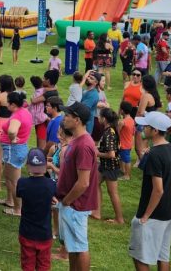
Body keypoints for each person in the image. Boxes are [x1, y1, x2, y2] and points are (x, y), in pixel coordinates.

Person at [129, 111, 171, 271]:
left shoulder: (156, 154)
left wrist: (145, 216)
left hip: (153, 215)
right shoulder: (170, 148)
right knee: (163, 256)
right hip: (169, 212)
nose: (143, 128)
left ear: (155, 130)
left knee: (140, 257)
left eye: (146, 126)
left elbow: (158, 190)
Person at [55, 102, 99, 271]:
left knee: (80, 247)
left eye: (67, 115)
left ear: (77, 120)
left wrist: (66, 201)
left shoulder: (83, 145)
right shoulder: (76, 140)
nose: (64, 118)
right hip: (71, 204)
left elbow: (83, 182)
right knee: (73, 247)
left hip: (76, 205)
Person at [17, 148, 57, 271]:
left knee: (27, 264)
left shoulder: (22, 183)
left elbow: (19, 194)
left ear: (28, 166)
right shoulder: (51, 184)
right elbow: (54, 197)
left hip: (27, 232)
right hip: (44, 233)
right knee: (43, 265)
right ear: (45, 165)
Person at [0, 91, 33, 217]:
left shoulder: (17, 116)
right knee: (8, 177)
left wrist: (12, 138)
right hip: (18, 148)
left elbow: (12, 130)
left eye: (8, 103)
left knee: (14, 181)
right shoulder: (25, 111)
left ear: (13, 104)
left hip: (14, 149)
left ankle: (18, 209)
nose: (6, 104)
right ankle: (9, 200)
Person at [118, 102, 136, 180]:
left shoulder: (122, 122)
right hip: (129, 143)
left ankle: (127, 176)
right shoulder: (132, 120)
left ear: (122, 110)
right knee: (122, 158)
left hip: (123, 144)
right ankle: (122, 170)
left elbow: (117, 132)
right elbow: (133, 132)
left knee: (127, 160)